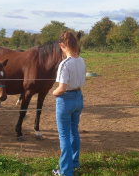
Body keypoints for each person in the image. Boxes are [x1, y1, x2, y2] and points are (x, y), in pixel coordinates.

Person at [52, 31, 86, 176]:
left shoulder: (64, 64)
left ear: (62, 45)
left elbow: (62, 88)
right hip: (79, 98)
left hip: (66, 100)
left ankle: (65, 171)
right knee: (74, 132)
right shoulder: (82, 60)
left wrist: (54, 92)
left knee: (64, 135)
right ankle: (74, 164)